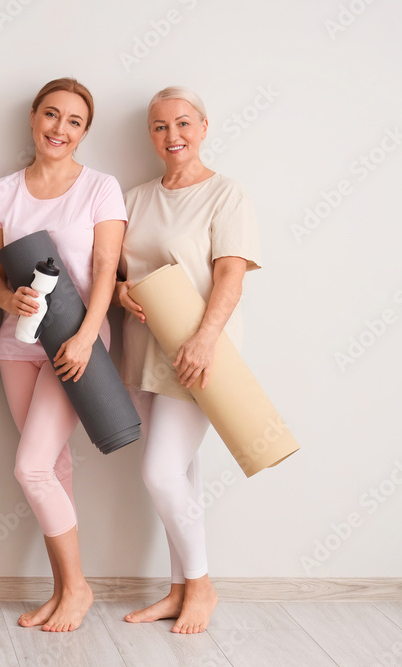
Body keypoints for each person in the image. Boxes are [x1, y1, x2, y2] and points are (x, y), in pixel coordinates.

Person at [0, 78, 126, 632]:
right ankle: (65, 589)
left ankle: (79, 589)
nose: (59, 129)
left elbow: (107, 269)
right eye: (50, 115)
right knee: (53, 468)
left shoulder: (100, 188)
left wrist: (89, 335)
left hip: (77, 343)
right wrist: (5, 296)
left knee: (31, 467)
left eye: (73, 122)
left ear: (84, 132)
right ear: (34, 118)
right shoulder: (1, 191)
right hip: (17, 345)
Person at [117, 86, 261, 634]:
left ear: (203, 127)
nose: (172, 135)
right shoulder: (135, 198)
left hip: (200, 349)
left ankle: (201, 585)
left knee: (160, 472)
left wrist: (204, 340)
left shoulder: (227, 193)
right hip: (144, 346)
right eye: (159, 127)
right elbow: (117, 269)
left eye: (182, 124)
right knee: (181, 473)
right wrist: (120, 292)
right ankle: (177, 591)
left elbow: (230, 275)